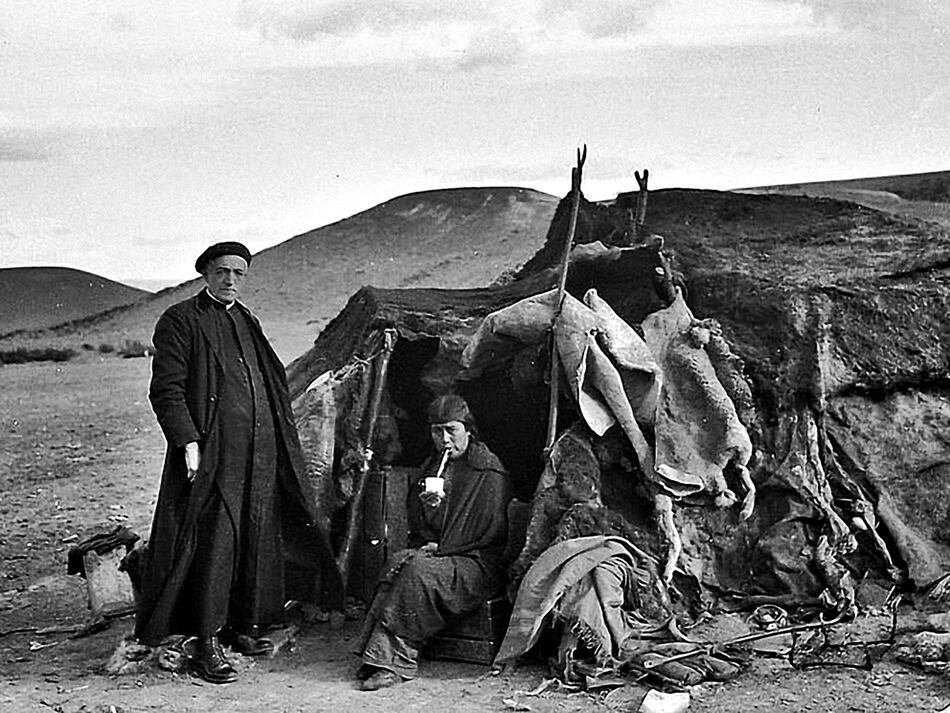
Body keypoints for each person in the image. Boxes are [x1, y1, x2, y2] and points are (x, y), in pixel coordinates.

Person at [135, 241, 341, 684]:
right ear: (205, 273)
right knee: (216, 537)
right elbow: (166, 390)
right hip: (215, 452)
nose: (230, 280)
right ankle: (206, 640)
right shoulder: (181, 320)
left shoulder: (247, 319)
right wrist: (188, 442)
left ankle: (240, 625)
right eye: (223, 271)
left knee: (256, 532)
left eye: (239, 273)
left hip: (260, 450)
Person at [354, 395, 510, 691]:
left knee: (418, 573)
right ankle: (374, 656)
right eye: (437, 431)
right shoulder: (432, 467)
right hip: (446, 554)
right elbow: (426, 529)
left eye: (452, 430)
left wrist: (443, 547)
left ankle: (395, 663)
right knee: (397, 562)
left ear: (468, 430)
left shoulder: (488, 471)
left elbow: (487, 532)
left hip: (476, 563)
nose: (445, 439)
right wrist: (430, 509)